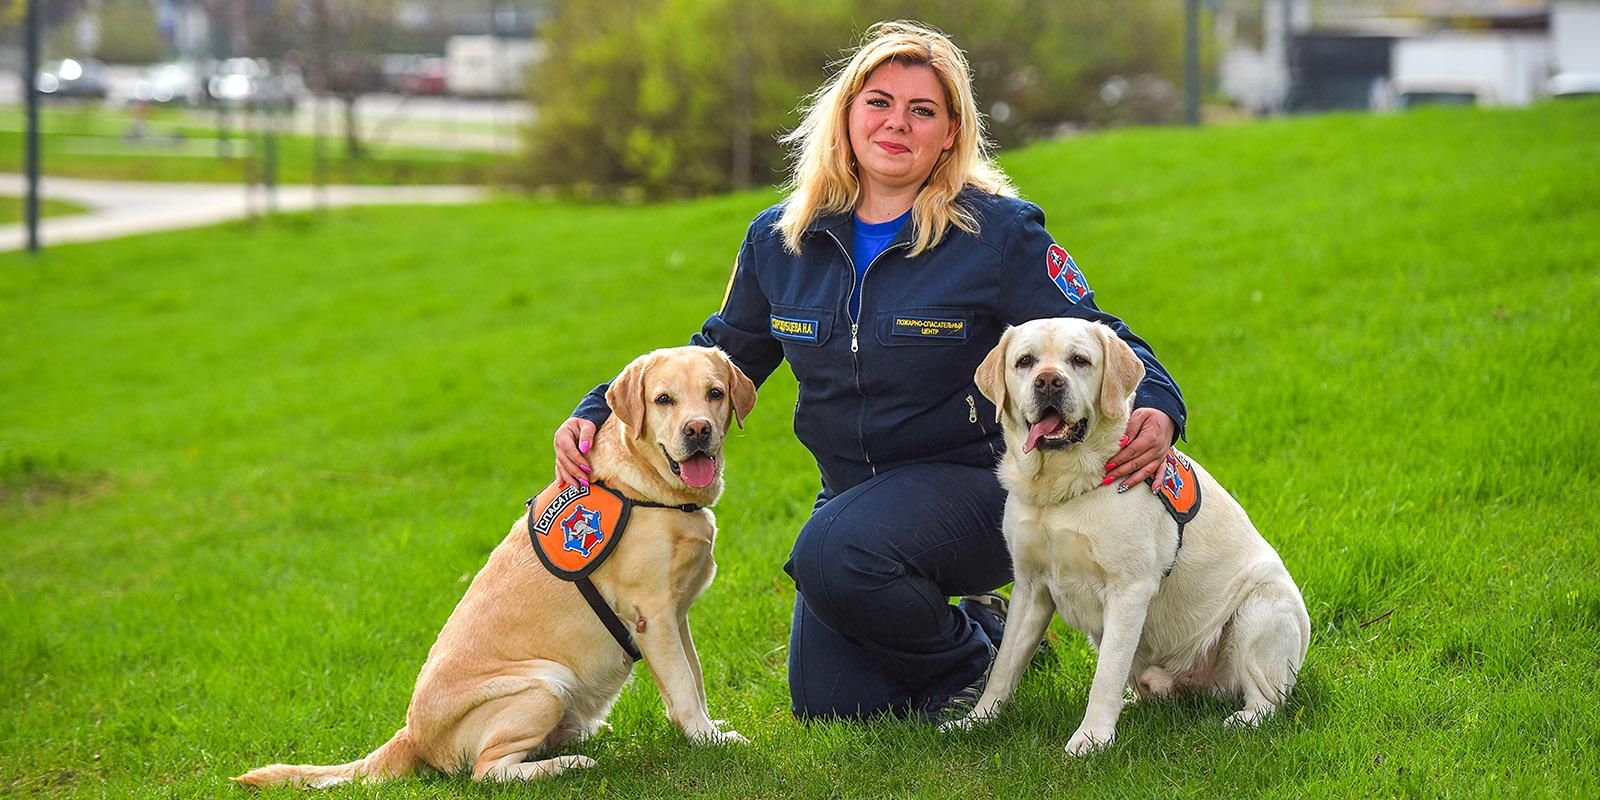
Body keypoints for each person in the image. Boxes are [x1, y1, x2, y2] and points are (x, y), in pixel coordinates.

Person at [552, 20, 1185, 722]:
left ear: (950, 132)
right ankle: (989, 629)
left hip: (978, 489)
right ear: (847, 113)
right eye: (879, 102)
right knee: (835, 702)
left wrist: (1157, 402)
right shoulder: (780, 239)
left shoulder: (1000, 234)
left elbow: (1102, 331)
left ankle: (968, 666)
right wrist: (594, 414)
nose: (897, 124)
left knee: (832, 554)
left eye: (923, 111)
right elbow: (719, 352)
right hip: (852, 498)